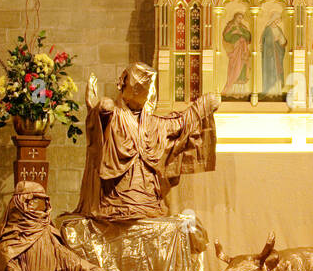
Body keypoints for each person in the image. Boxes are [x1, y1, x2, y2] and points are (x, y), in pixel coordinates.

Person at [74, 61, 220, 224]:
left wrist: (201, 106)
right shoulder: (113, 116)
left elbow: (181, 123)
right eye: (135, 86)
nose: (140, 91)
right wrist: (96, 107)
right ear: (123, 85)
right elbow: (99, 121)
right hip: (116, 200)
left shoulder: (154, 123)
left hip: (147, 200)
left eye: (145, 87)